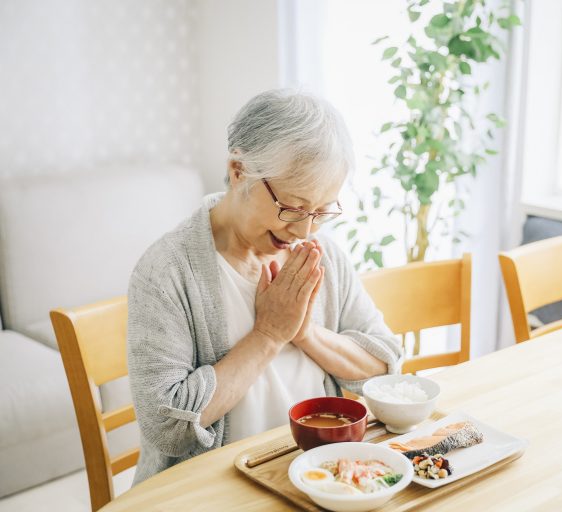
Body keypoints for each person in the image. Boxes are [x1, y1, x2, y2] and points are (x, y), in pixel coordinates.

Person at [127, 89, 403, 484]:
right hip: (212, 490)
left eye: (321, 212)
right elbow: (166, 425)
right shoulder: (167, 271)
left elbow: (385, 366)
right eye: (292, 208)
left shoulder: (322, 254)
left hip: (317, 479)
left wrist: (305, 333)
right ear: (239, 170)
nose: (304, 230)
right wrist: (269, 334)